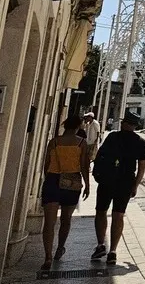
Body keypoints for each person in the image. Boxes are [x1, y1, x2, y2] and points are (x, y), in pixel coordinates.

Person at [92, 110, 145, 265]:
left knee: (101, 211)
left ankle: (100, 244)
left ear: (124, 123)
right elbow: (142, 167)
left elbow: (100, 155)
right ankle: (113, 251)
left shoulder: (112, 137)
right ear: (135, 126)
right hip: (125, 182)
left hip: (107, 181)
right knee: (118, 215)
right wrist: (135, 185)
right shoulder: (140, 142)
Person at [40, 113, 91, 270]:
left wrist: (48, 178)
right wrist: (87, 185)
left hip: (53, 180)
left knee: (49, 222)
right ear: (78, 127)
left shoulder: (54, 142)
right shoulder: (82, 143)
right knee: (66, 218)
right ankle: (60, 248)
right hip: (72, 181)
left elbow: (46, 164)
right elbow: (84, 166)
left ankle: (47, 256)